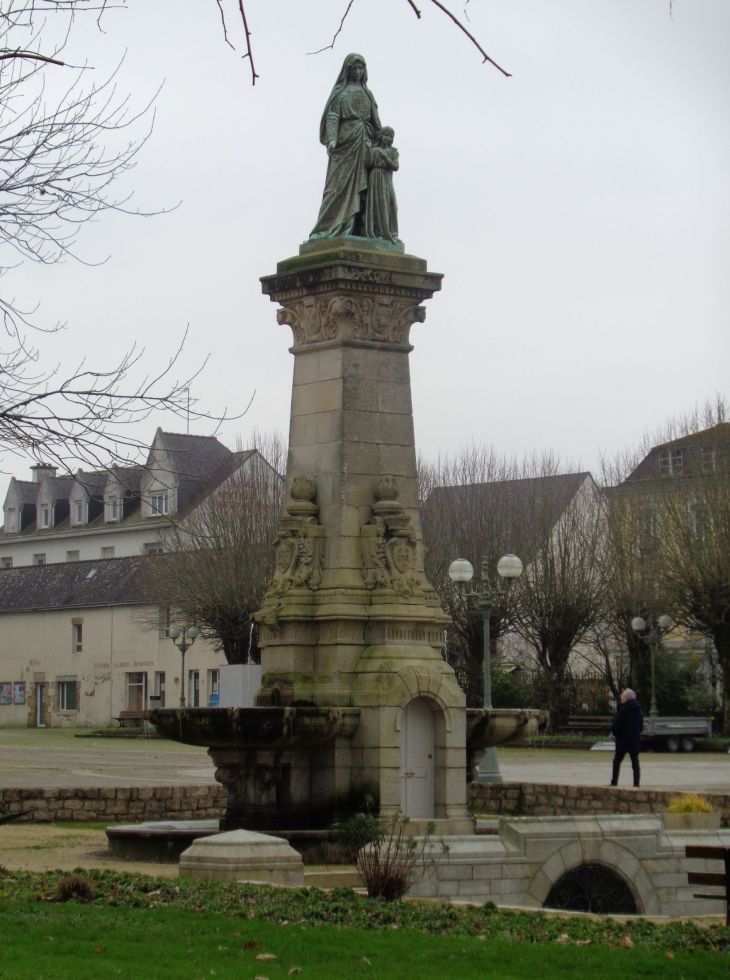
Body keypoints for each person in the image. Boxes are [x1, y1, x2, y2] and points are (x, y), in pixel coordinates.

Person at [310, 53, 382, 240]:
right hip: (344, 144)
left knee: (365, 189)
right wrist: (332, 138)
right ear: (348, 70)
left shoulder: (367, 94)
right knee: (336, 188)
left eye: (361, 68)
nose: (358, 72)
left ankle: (359, 228)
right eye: (354, 68)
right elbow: (333, 116)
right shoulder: (340, 94)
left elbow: (376, 122)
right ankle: (327, 228)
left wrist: (383, 141)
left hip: (364, 143)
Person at [364, 126, 401, 244]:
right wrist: (369, 149)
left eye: (390, 136)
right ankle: (378, 232)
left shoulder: (393, 152)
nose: (388, 138)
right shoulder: (374, 150)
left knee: (392, 204)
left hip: (387, 178)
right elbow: (367, 163)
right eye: (386, 135)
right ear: (381, 136)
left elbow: (395, 166)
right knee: (378, 205)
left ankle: (392, 233)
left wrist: (385, 158)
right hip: (375, 178)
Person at [610, 688, 643, 788]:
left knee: (617, 761)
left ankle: (614, 781)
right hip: (634, 740)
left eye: (622, 696)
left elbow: (616, 725)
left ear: (626, 698)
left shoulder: (623, 710)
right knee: (635, 762)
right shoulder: (638, 711)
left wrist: (617, 735)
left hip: (623, 741)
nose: (621, 698)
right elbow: (641, 726)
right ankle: (636, 783)